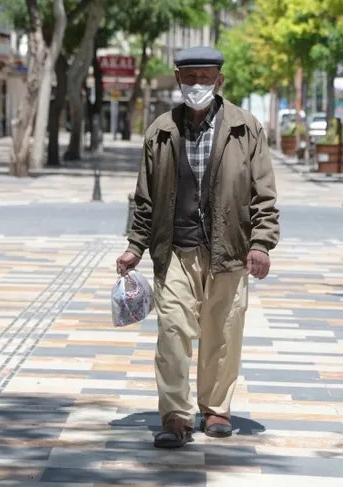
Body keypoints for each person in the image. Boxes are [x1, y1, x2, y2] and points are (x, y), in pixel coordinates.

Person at [115, 46, 280, 449]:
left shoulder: (246, 128)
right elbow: (144, 198)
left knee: (222, 333)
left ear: (219, 81)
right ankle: (174, 415)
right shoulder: (161, 131)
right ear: (177, 80)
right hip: (175, 250)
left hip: (229, 250)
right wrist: (135, 246)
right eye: (190, 79)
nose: (197, 86)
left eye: (205, 79)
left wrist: (261, 244)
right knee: (172, 329)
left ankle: (216, 408)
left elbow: (264, 195)